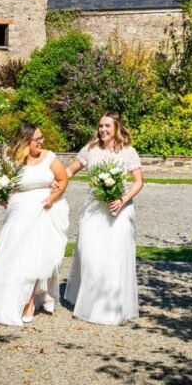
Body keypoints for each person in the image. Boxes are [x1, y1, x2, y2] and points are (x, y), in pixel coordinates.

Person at [0, 124, 70, 326]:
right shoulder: (13, 161)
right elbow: (4, 186)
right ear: (25, 141)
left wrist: (52, 197)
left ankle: (29, 302)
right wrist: (2, 198)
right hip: (20, 214)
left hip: (45, 212)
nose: (41, 142)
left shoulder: (49, 157)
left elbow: (63, 180)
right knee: (15, 256)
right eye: (37, 139)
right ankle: (10, 296)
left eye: (41, 138)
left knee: (37, 257)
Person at [63, 112, 144, 325]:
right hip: (94, 209)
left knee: (114, 256)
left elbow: (138, 182)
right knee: (89, 254)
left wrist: (123, 199)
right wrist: (53, 181)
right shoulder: (90, 150)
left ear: (117, 127)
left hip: (120, 209)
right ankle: (90, 301)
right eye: (100, 126)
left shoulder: (128, 152)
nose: (103, 130)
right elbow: (70, 171)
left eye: (107, 126)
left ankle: (111, 307)